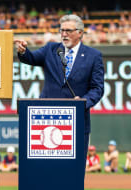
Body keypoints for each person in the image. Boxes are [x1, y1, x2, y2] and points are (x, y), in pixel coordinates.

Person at [15, 14, 105, 154]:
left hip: (76, 119)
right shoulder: (51, 49)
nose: (64, 34)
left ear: (80, 33)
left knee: (73, 169)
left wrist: (83, 102)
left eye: (68, 31)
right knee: (45, 166)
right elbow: (31, 58)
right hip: (46, 118)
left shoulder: (93, 56)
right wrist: (23, 51)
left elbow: (97, 88)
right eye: (61, 30)